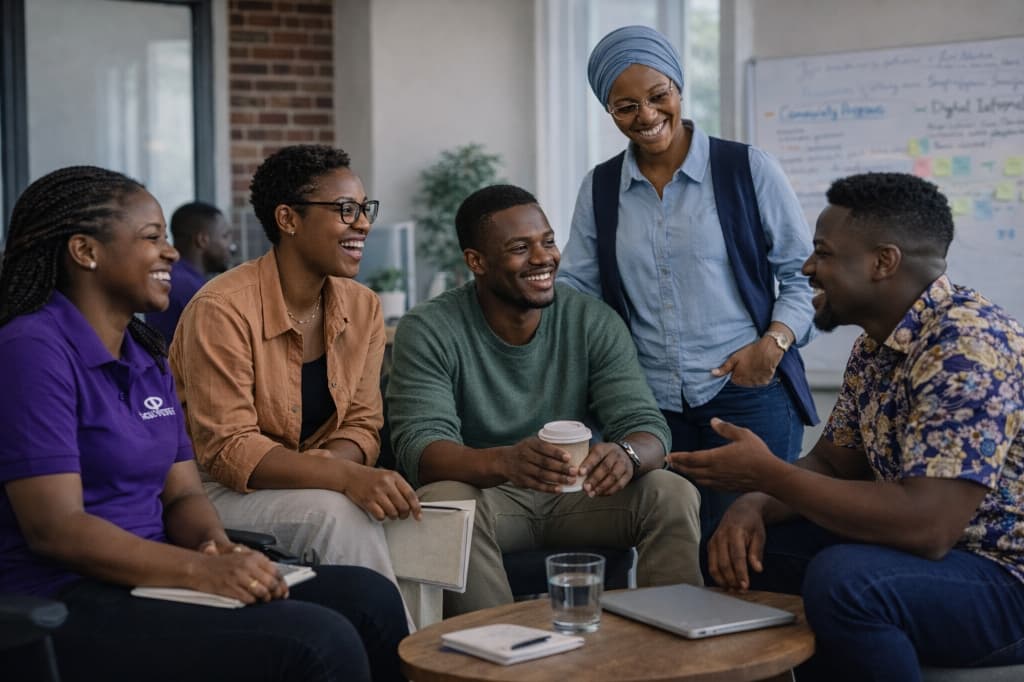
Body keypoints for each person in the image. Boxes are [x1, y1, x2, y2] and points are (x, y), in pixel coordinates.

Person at [0, 166, 408, 682]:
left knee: (367, 596)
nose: (171, 252)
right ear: (86, 251)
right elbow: (56, 530)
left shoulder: (144, 355)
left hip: (158, 575)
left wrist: (217, 546)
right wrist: (201, 571)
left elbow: (183, 496)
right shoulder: (32, 349)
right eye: (152, 238)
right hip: (66, 595)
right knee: (318, 640)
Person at [669, 173, 1024, 681]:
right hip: (943, 555)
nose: (809, 268)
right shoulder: (876, 345)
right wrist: (754, 505)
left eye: (825, 253)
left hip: (1005, 576)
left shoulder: (966, 348)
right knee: (737, 551)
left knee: (846, 582)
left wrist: (767, 475)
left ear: (884, 262)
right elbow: (835, 462)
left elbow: (928, 528)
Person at [387, 184, 702, 617]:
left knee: (670, 491)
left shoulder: (590, 319)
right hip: (491, 500)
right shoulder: (429, 328)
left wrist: (629, 455)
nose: (543, 258)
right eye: (520, 247)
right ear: (476, 262)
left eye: (548, 242)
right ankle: (502, 654)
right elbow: (419, 450)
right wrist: (504, 463)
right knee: (446, 500)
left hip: (579, 495)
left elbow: (645, 423)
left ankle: (672, 655)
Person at [559, 25, 818, 542]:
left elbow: (804, 274)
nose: (648, 116)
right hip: (647, 405)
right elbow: (576, 286)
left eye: (659, 97)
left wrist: (775, 342)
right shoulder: (602, 186)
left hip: (748, 393)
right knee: (671, 548)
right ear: (609, 112)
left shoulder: (747, 169)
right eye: (625, 106)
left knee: (745, 545)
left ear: (678, 88)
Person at [169, 145, 420, 584]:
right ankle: (394, 649)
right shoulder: (222, 307)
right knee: (337, 514)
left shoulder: (363, 308)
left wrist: (333, 469)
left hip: (313, 480)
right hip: (213, 490)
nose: (363, 223)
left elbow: (363, 424)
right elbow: (230, 450)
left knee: (413, 513)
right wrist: (338, 477)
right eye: (345, 209)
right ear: (288, 220)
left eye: (365, 209)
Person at [146, 201, 234, 343]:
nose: (231, 246)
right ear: (202, 240)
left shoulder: (170, 278)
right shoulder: (196, 291)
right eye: (224, 236)